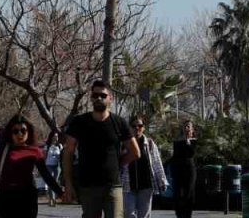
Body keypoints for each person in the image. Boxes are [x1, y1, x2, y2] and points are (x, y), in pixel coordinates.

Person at [62, 79, 140, 218]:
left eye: (103, 95)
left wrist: (118, 163)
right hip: (88, 186)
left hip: (113, 186)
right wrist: (68, 183)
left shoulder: (119, 123)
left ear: (110, 98)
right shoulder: (79, 122)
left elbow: (135, 152)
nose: (99, 98)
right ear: (91, 97)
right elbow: (68, 153)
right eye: (95, 95)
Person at [0, 115, 63, 218]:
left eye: (23, 130)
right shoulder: (4, 150)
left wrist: (60, 193)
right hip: (6, 199)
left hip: (27, 199)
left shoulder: (35, 151)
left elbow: (46, 175)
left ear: (28, 131)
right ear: (10, 133)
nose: (20, 134)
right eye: (15, 131)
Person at [120, 115, 167, 218]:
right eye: (134, 126)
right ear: (129, 127)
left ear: (144, 127)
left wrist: (162, 180)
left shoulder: (149, 143)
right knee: (128, 214)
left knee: (144, 215)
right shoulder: (124, 144)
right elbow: (119, 164)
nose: (137, 128)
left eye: (140, 126)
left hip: (146, 186)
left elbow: (157, 163)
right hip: (128, 185)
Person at [167, 121, 197, 218]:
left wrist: (187, 140)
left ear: (192, 130)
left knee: (189, 193)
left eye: (188, 127)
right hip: (178, 170)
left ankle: (187, 214)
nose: (186, 128)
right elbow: (175, 156)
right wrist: (165, 163)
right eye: (185, 127)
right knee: (177, 193)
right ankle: (179, 214)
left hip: (189, 170)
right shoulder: (177, 142)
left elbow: (191, 153)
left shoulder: (193, 141)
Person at [43, 130, 63, 207]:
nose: (56, 137)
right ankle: (52, 199)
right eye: (54, 136)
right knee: (51, 182)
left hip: (57, 166)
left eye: (57, 136)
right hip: (49, 165)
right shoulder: (47, 146)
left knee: (55, 182)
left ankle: (52, 198)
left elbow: (62, 156)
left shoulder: (60, 146)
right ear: (51, 137)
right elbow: (44, 157)